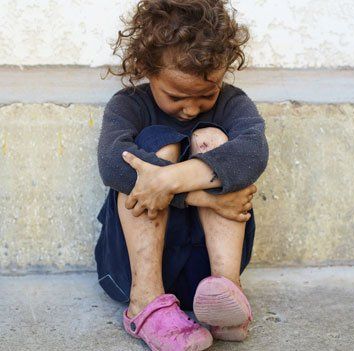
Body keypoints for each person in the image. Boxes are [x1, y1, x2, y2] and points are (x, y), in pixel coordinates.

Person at [94, 1, 268, 349]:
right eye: (175, 96)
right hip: (132, 269)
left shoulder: (234, 104)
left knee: (214, 140)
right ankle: (145, 304)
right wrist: (198, 195)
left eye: (207, 94)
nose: (190, 108)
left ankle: (226, 295)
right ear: (147, 69)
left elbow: (254, 152)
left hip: (204, 273)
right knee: (155, 144)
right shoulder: (128, 105)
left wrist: (171, 181)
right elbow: (112, 163)